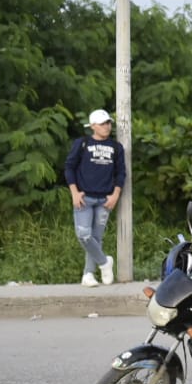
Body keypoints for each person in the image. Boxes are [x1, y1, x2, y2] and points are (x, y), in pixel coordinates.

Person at [64, 108, 127, 287]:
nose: (106, 127)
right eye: (102, 124)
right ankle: (105, 263)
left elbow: (121, 173)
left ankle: (88, 274)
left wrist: (115, 194)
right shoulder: (82, 143)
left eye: (108, 123)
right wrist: (74, 192)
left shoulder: (116, 147)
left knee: (96, 238)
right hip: (84, 197)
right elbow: (69, 167)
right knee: (84, 235)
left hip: (105, 199)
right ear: (93, 126)